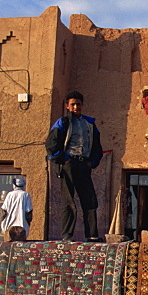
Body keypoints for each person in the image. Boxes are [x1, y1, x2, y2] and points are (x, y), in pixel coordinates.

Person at [45, 91, 104, 242]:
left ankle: (91, 235)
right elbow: (51, 144)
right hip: (69, 164)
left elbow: (97, 147)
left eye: (78, 104)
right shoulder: (63, 122)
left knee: (90, 200)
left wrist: (92, 161)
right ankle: (67, 235)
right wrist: (64, 160)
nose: (76, 107)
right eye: (73, 104)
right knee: (69, 200)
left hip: (84, 164)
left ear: (82, 105)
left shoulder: (90, 124)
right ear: (67, 106)